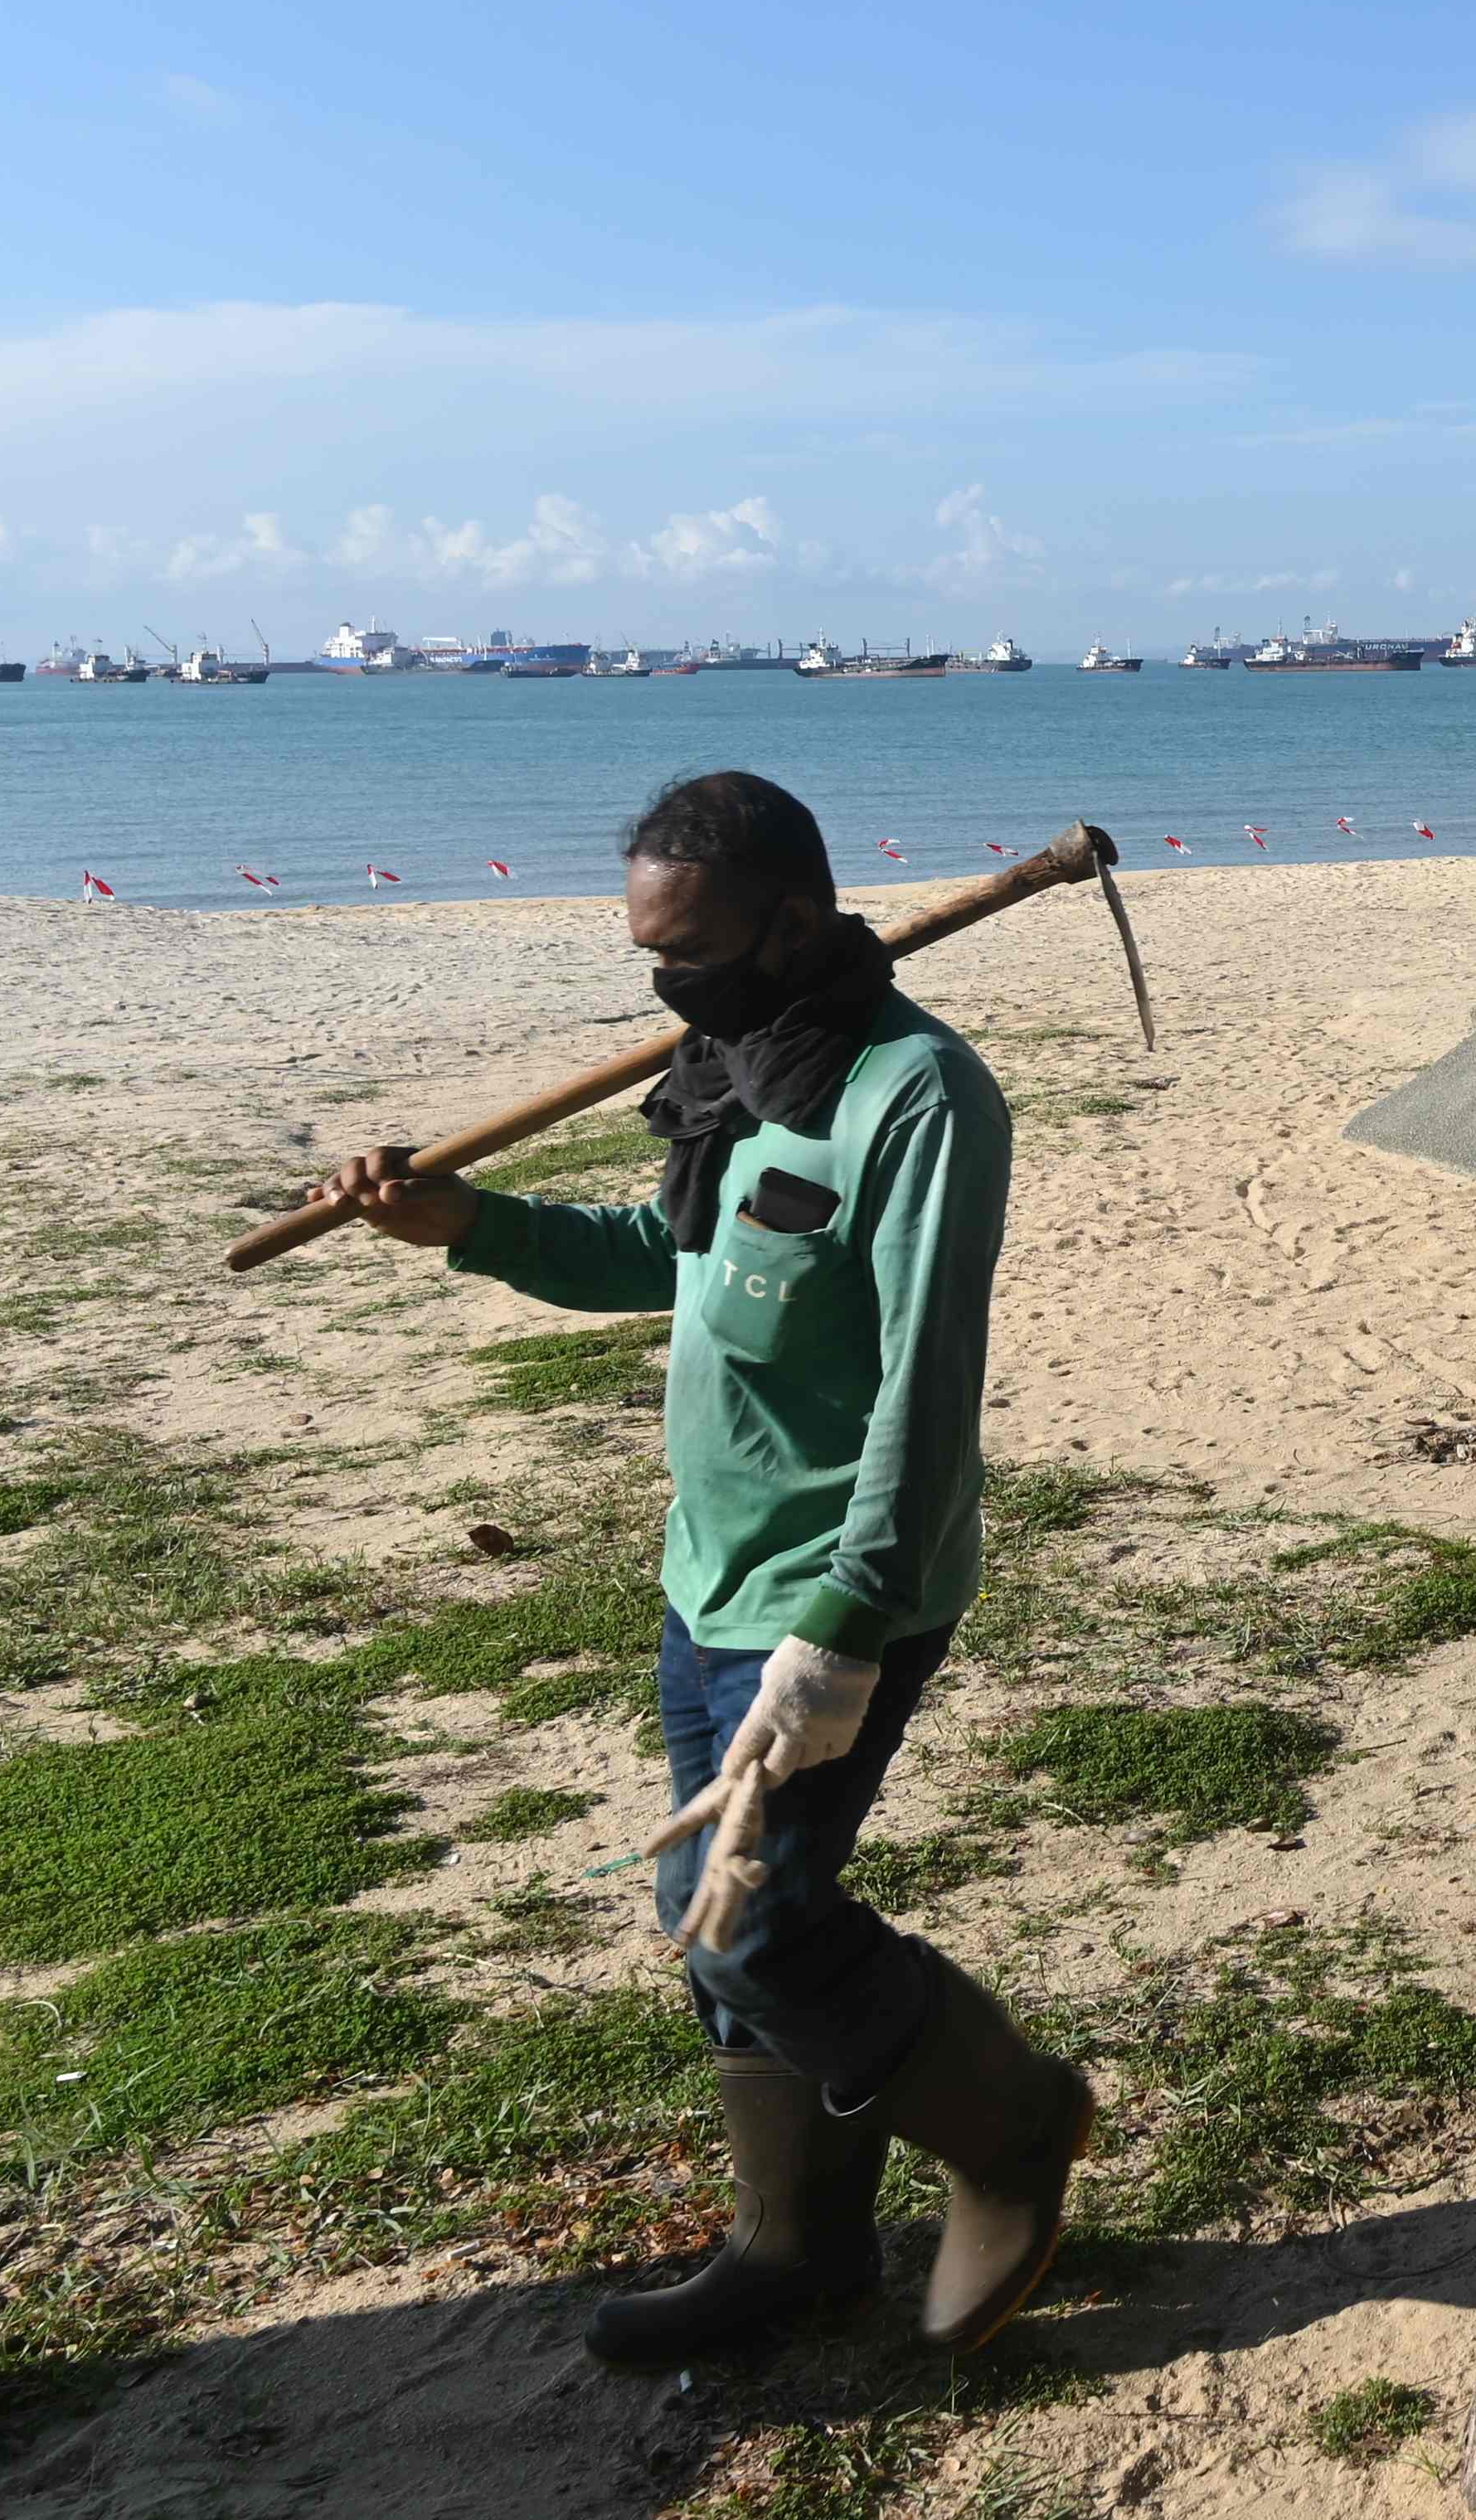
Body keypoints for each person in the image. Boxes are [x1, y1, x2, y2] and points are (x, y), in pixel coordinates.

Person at [321, 768, 1090, 2365]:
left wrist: (842, 1629)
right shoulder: (740, 1069)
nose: (668, 980)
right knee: (722, 1936)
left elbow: (925, 1394)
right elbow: (662, 1265)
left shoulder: (916, 1097)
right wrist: (465, 1224)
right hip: (706, 1581)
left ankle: (1011, 2123)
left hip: (832, 1599)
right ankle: (798, 2250)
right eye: (649, 955)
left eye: (691, 950)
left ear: (792, 921)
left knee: (740, 1917)